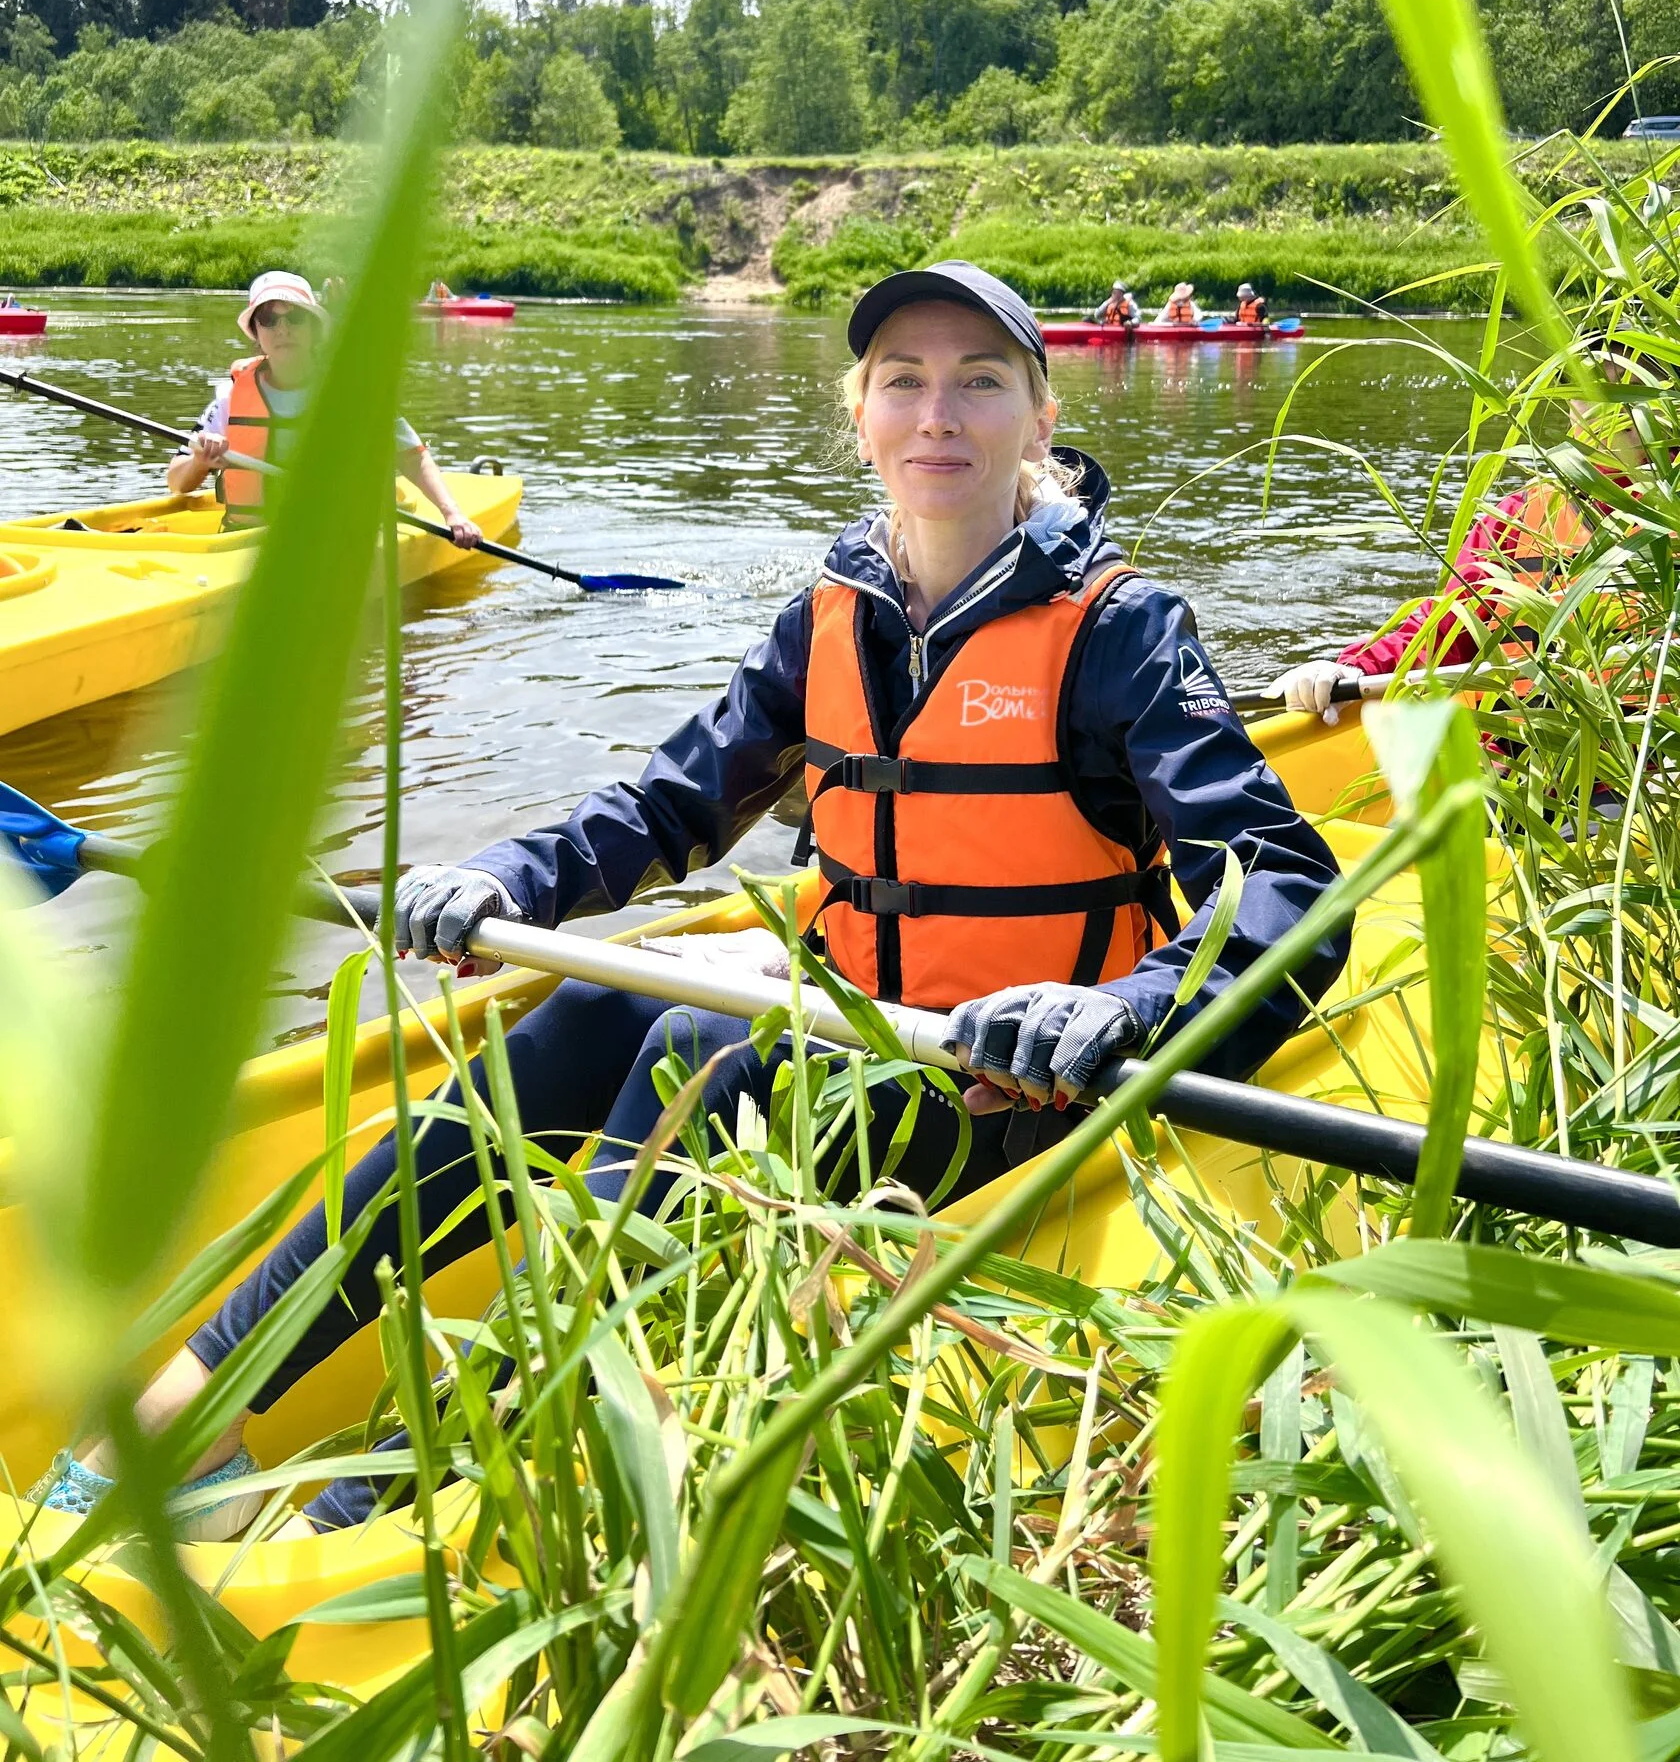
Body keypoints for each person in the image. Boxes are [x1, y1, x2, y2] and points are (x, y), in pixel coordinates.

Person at [38, 261, 1348, 1534]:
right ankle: (193, 1398)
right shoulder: (832, 611)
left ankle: (403, 1486)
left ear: (1039, 419)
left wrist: (1123, 1011)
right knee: (574, 1017)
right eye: (903, 381)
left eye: (980, 382)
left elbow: (1291, 887)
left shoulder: (1123, 630)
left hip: (1003, 1085)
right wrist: (508, 879)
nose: (937, 414)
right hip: (849, 1024)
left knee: (695, 1047)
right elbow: (668, 808)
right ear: (861, 415)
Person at [1275, 342, 1655, 720]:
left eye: (1626, 384)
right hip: (1528, 764)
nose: (1603, 406)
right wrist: (1353, 668)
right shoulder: (1514, 518)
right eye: (1584, 386)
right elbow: (1445, 629)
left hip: (1656, 767)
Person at [166, 269, 483, 548]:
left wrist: (453, 514)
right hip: (245, 541)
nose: (283, 329)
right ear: (256, 331)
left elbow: (412, 457)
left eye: (296, 318)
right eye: (269, 319)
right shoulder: (230, 397)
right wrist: (199, 460)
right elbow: (176, 483)